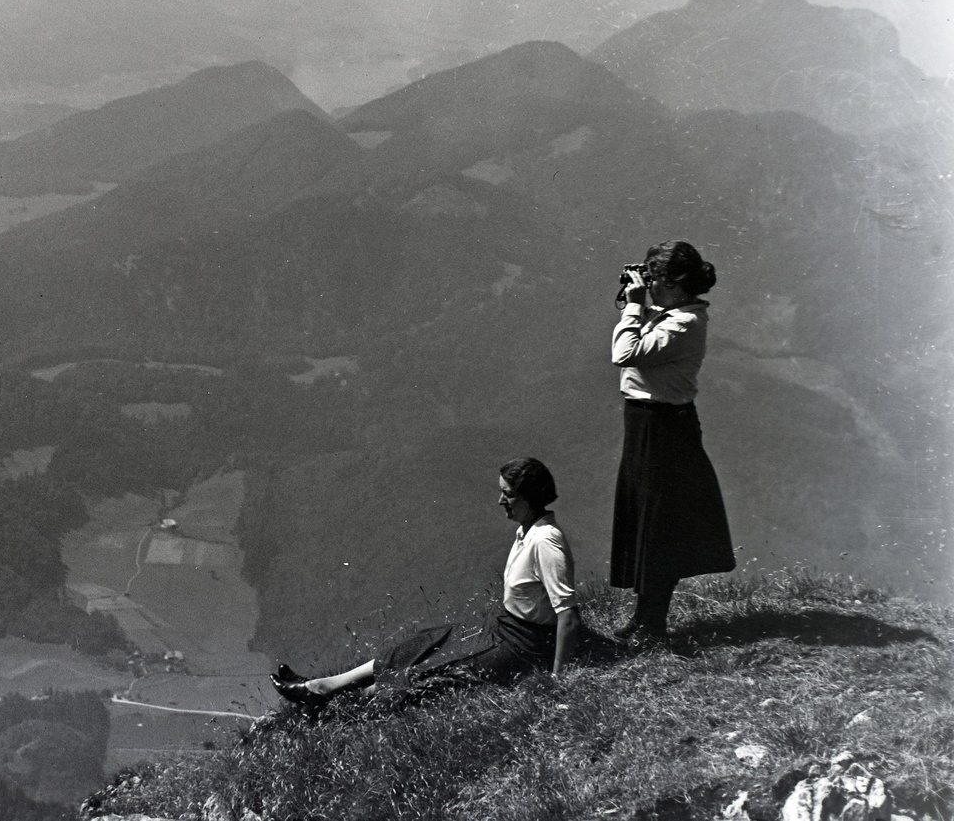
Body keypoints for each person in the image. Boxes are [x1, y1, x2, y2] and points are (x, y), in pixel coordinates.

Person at [271, 458, 581, 705]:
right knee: (428, 641)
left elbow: (568, 615)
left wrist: (557, 681)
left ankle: (343, 705)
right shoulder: (528, 530)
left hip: (524, 644)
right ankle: (324, 686)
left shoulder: (545, 542)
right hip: (503, 627)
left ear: (530, 497)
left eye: (509, 494)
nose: (501, 500)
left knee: (434, 672)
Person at [610, 239, 736, 645]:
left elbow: (624, 352)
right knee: (649, 522)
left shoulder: (685, 323)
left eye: (656, 280)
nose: (649, 286)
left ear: (678, 285)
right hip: (647, 423)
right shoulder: (672, 314)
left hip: (663, 428)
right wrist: (642, 304)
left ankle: (652, 624)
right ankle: (644, 618)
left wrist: (632, 304)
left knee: (659, 526)